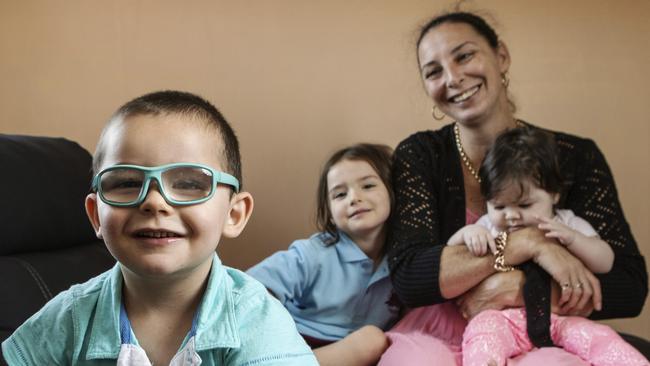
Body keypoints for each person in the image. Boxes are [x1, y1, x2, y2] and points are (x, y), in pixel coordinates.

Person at [378, 11, 648, 365]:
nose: (453, 77)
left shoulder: (574, 157)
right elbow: (410, 275)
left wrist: (521, 290)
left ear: (500, 56)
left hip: (538, 333)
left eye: (464, 55)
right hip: (435, 334)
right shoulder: (420, 154)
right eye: (434, 71)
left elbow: (628, 285)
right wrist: (528, 243)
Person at [1, 91, 318, 365]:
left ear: (234, 214)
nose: (155, 201)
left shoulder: (256, 320)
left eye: (190, 183)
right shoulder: (70, 316)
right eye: (126, 182)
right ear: (96, 215)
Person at [447, 127, 647, 365]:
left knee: (602, 340)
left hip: (561, 318)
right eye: (499, 207)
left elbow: (606, 261)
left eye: (525, 205)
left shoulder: (566, 223)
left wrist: (574, 239)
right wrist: (468, 234)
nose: (511, 216)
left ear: (553, 195)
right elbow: (451, 253)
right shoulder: (489, 226)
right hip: (504, 320)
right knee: (481, 336)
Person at [248, 143, 399, 366]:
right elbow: (248, 289)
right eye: (340, 194)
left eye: (367, 186)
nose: (354, 198)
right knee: (371, 340)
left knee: (375, 341)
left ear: (393, 193)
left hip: (349, 354)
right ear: (329, 214)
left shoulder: (404, 259)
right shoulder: (314, 252)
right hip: (294, 340)